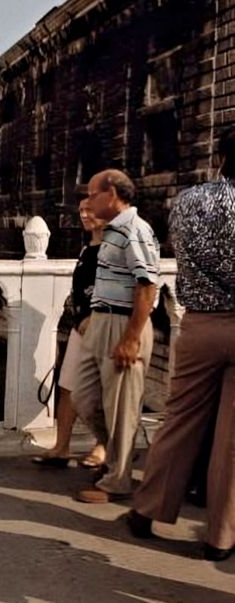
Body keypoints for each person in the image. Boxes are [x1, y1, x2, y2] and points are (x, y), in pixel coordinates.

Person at [127, 128, 235, 562]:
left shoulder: (188, 201)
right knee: (232, 439)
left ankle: (147, 509)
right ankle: (221, 537)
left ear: (221, 157)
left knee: (180, 419)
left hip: (201, 325)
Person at [71, 169, 160, 503]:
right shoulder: (112, 231)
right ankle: (114, 459)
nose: (89, 202)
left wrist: (131, 338)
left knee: (122, 406)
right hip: (101, 320)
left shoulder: (135, 230)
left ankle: (116, 481)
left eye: (93, 194)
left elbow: (147, 284)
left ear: (112, 194)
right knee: (85, 398)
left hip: (124, 324)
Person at [32, 199, 106, 469]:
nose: (85, 214)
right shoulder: (88, 246)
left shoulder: (114, 246)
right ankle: (61, 446)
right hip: (79, 327)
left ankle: (103, 445)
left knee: (104, 390)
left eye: (91, 209)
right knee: (67, 387)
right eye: (82, 210)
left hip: (103, 328)